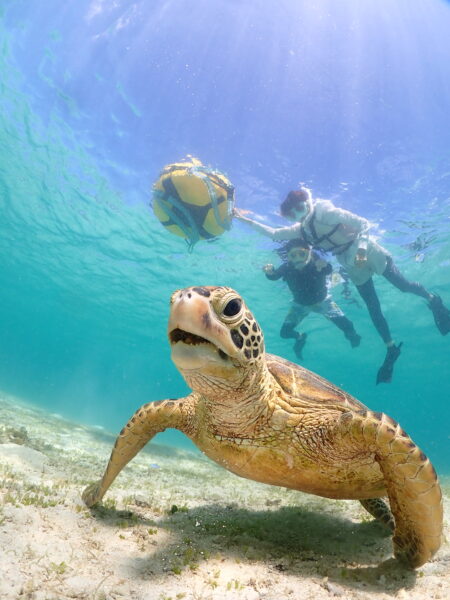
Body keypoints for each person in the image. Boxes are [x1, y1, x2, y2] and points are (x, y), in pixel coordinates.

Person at [235, 187, 450, 384]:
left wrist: (362, 250)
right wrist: (241, 218)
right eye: (293, 214)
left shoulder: (325, 212)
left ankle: (433, 300)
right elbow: (274, 234)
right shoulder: (303, 230)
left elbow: (363, 224)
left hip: (366, 250)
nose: (300, 215)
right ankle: (391, 348)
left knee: (402, 285)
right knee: (373, 307)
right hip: (348, 262)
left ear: (308, 202)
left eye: (301, 208)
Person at [264, 239, 361, 359]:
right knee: (284, 333)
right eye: (293, 255)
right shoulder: (286, 267)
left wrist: (324, 265)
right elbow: (274, 276)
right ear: (288, 257)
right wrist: (269, 273)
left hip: (323, 302)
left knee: (348, 326)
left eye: (302, 254)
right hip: (299, 305)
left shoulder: (316, 264)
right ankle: (300, 337)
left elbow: (328, 270)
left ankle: (352, 336)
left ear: (309, 253)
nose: (298, 258)